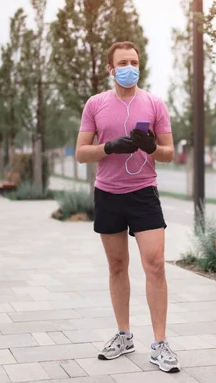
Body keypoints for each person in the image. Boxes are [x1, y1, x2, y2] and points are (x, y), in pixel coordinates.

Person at [75, 41, 179, 373]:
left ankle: (160, 343)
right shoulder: (95, 104)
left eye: (134, 61)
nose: (129, 66)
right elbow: (80, 152)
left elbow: (169, 152)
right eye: (123, 62)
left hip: (143, 193)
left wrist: (151, 147)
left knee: (156, 264)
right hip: (108, 194)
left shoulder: (154, 103)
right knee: (118, 266)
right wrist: (109, 147)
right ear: (110, 68)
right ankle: (124, 335)